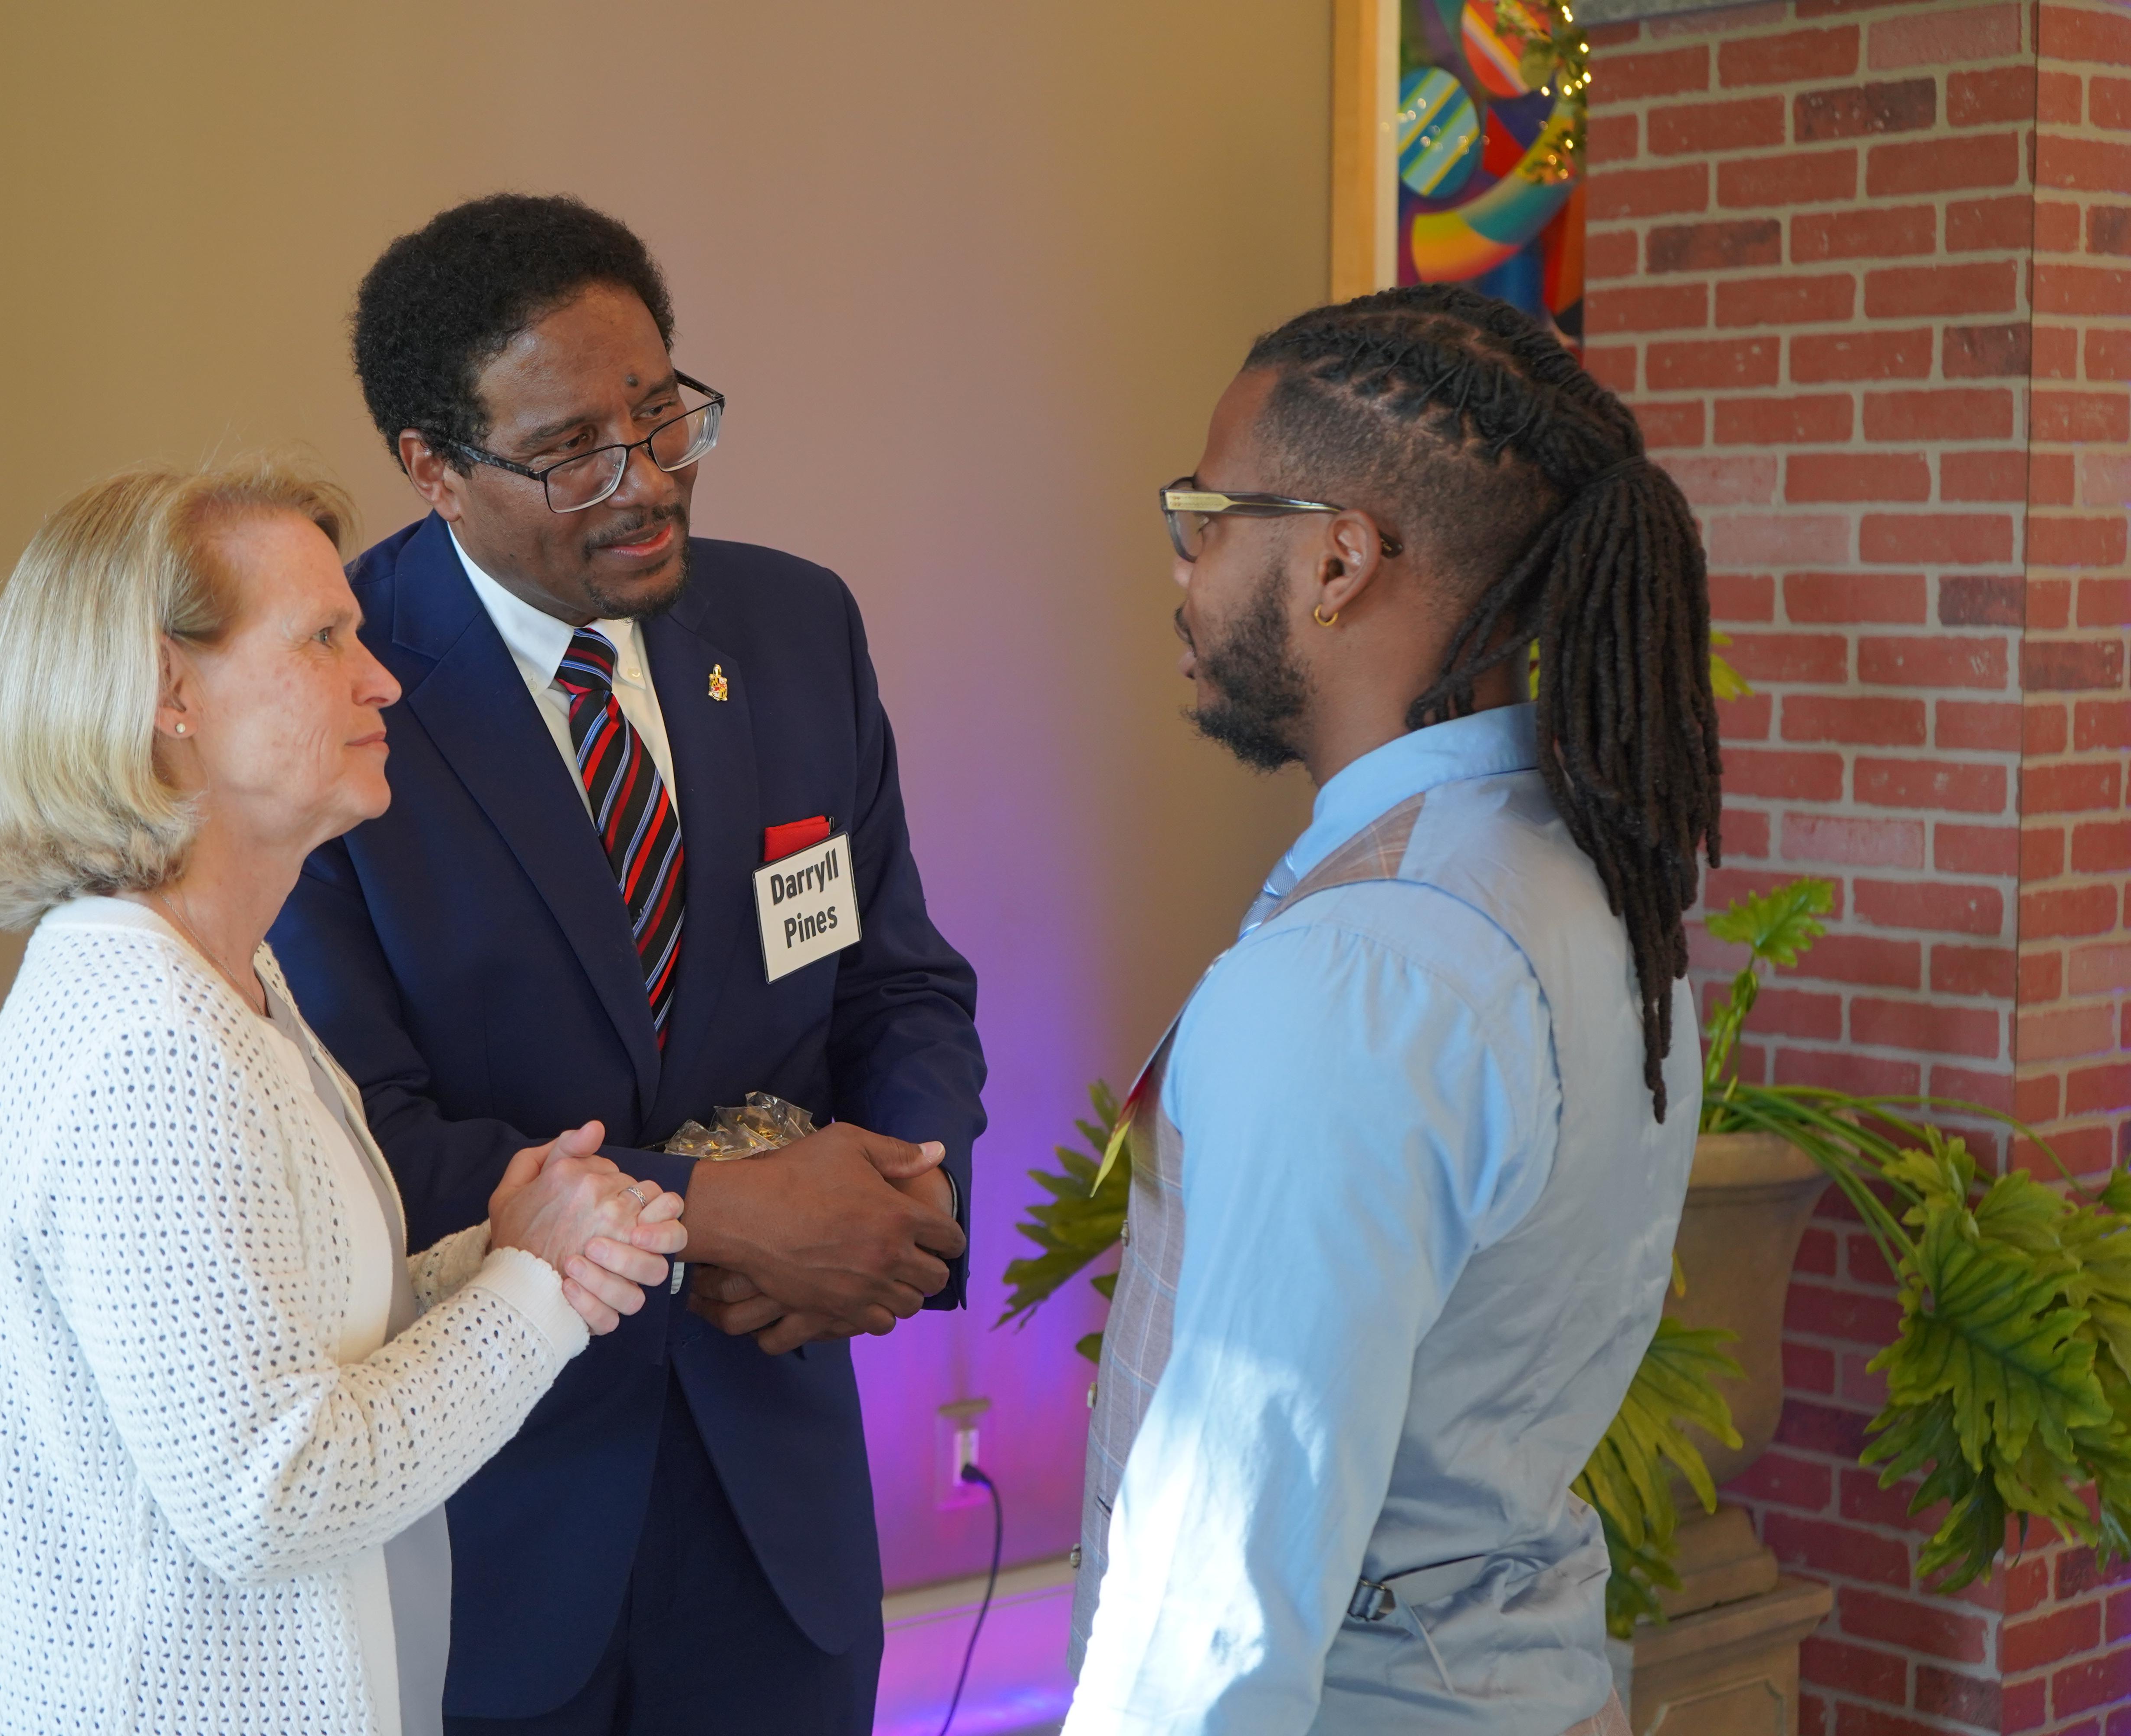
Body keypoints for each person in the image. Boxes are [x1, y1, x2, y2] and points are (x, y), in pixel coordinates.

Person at [266, 194, 984, 1735]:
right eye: (573, 449)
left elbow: (896, 982)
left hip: (773, 1498)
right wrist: (726, 1212)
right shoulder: (341, 688)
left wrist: (904, 1205)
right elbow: (357, 1145)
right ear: (432, 466)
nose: (646, 481)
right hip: (494, 1522)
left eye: (664, 415)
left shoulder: (796, 626)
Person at [0, 460, 688, 1736]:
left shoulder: (231, 980)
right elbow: (276, 1492)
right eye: (324, 639)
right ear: (170, 694)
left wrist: (507, 1248)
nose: (381, 680)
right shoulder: (148, 1038)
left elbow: (278, 1338)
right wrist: (538, 1291)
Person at [1066, 283, 1720, 1733]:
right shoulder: (1585, 883)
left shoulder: (1367, 977)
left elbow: (1227, 1586)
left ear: (1341, 558)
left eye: (1208, 517)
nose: (1181, 569)